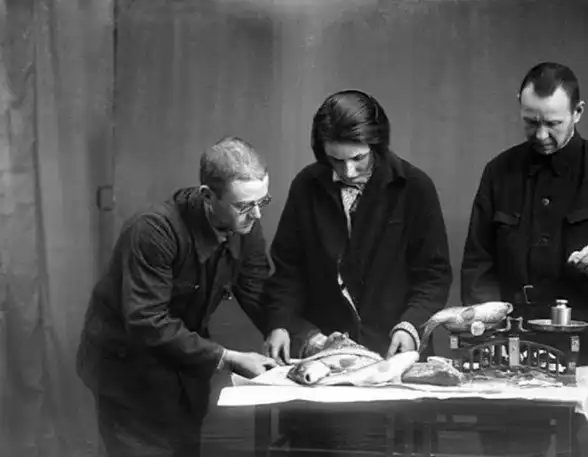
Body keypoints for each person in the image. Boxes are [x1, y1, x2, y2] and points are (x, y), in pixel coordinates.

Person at [461, 62, 588, 456]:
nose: (541, 134)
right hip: (512, 354)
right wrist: (488, 324)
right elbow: (477, 264)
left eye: (553, 123)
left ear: (578, 112)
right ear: (519, 107)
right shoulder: (499, 173)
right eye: (530, 121)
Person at [262, 89, 453, 453]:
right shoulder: (307, 186)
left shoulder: (414, 188)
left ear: (377, 145)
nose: (348, 171)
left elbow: (434, 275)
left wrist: (411, 326)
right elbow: (288, 269)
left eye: (358, 159)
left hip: (392, 357)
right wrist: (281, 322)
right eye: (335, 160)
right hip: (323, 358)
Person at [76, 136, 278, 457]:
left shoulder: (245, 225)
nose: (256, 215)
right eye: (244, 205)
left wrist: (284, 329)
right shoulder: (153, 231)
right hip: (127, 371)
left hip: (182, 368)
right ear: (208, 196)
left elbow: (258, 289)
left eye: (261, 202)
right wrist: (227, 358)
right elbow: (147, 321)